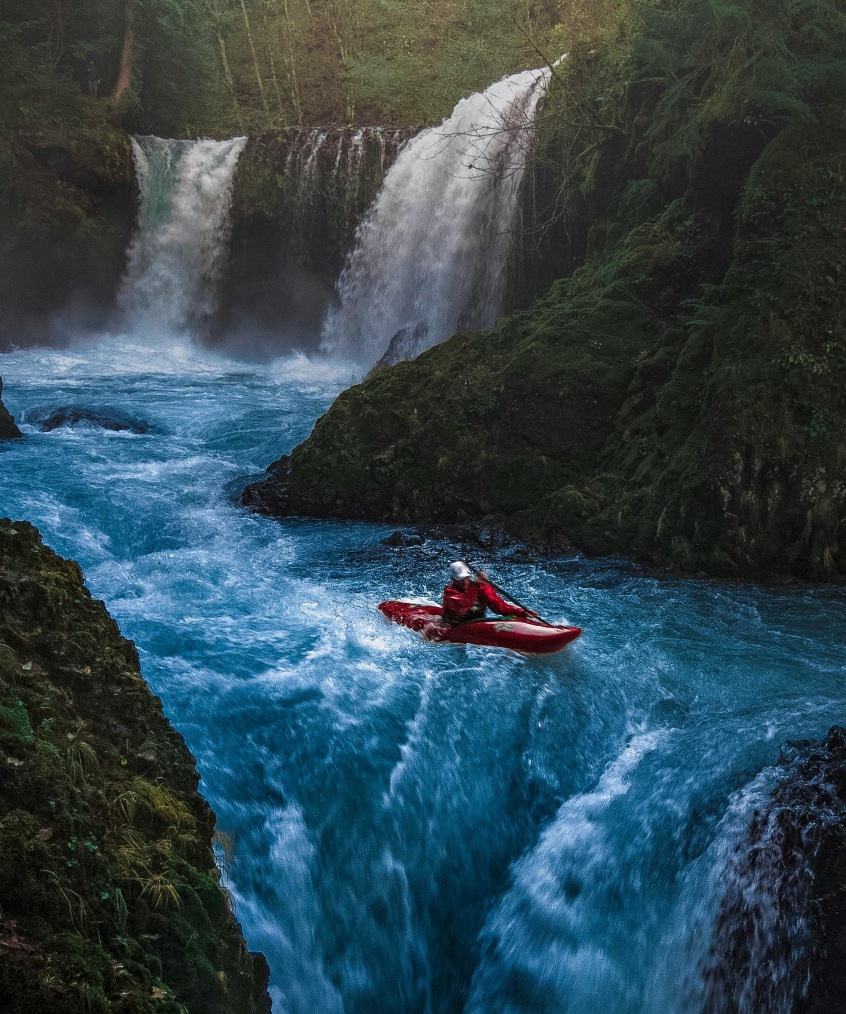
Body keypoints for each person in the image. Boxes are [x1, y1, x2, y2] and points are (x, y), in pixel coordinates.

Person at [441, 560, 538, 625]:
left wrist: (522, 612)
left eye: (466, 578)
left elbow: (498, 606)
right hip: (456, 626)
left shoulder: (478, 587)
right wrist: (481, 585)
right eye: (460, 579)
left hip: (478, 624)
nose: (464, 581)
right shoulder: (449, 593)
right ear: (453, 579)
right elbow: (463, 606)